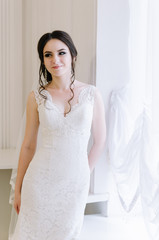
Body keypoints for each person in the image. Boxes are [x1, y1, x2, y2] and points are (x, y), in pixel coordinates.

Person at [12, 30, 106, 240]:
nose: (55, 60)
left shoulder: (91, 94)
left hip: (74, 184)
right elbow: (28, 145)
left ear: (73, 56)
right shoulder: (37, 97)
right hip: (38, 182)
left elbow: (100, 142)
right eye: (48, 55)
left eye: (61, 53)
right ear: (42, 60)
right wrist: (18, 190)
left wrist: (82, 173)